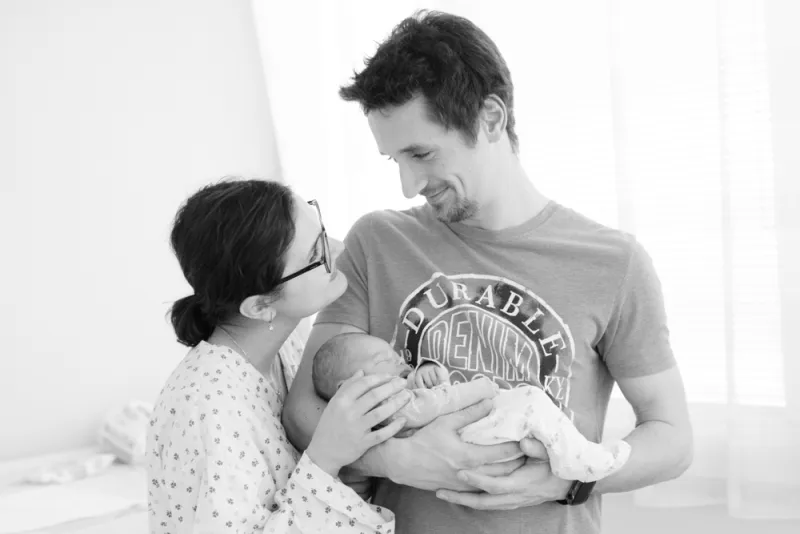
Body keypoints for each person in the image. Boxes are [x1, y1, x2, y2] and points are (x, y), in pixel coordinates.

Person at [282, 9, 693, 534]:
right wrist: (395, 461)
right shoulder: (375, 242)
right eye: (394, 160)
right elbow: (302, 411)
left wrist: (568, 482)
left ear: (491, 118)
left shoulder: (613, 262)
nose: (409, 185)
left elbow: (673, 437)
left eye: (421, 153)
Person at [146, 179, 412, 533]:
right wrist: (325, 458)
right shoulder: (204, 406)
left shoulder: (286, 350)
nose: (339, 248)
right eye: (317, 255)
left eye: (323, 233)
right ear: (260, 306)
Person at [313, 333, 632, 482]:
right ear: (347, 387)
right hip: (467, 438)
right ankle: (579, 461)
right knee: (531, 404)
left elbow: (433, 398)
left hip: (470, 435)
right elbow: (436, 403)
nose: (398, 360)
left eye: (395, 355)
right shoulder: (386, 407)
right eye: (383, 360)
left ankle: (572, 458)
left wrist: (430, 373)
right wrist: (481, 387)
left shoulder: (397, 394)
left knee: (532, 409)